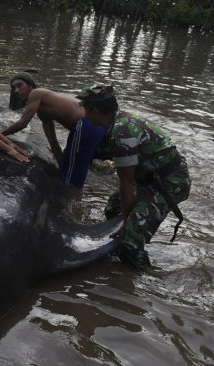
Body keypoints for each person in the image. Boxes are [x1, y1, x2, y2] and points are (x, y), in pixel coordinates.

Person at [80, 84, 191, 268]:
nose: (83, 112)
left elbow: (127, 182)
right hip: (151, 179)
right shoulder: (118, 122)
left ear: (95, 111)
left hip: (171, 183)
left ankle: (142, 279)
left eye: (84, 108)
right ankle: (119, 250)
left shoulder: (121, 133)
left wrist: (126, 221)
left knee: (130, 238)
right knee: (112, 207)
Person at [1, 75, 105, 188]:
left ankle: (74, 199)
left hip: (86, 125)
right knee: (70, 170)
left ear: (30, 86)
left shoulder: (36, 93)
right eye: (13, 88)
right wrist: (61, 167)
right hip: (92, 127)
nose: (16, 91)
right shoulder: (43, 113)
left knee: (71, 180)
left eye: (20, 85)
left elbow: (22, 123)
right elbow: (53, 141)